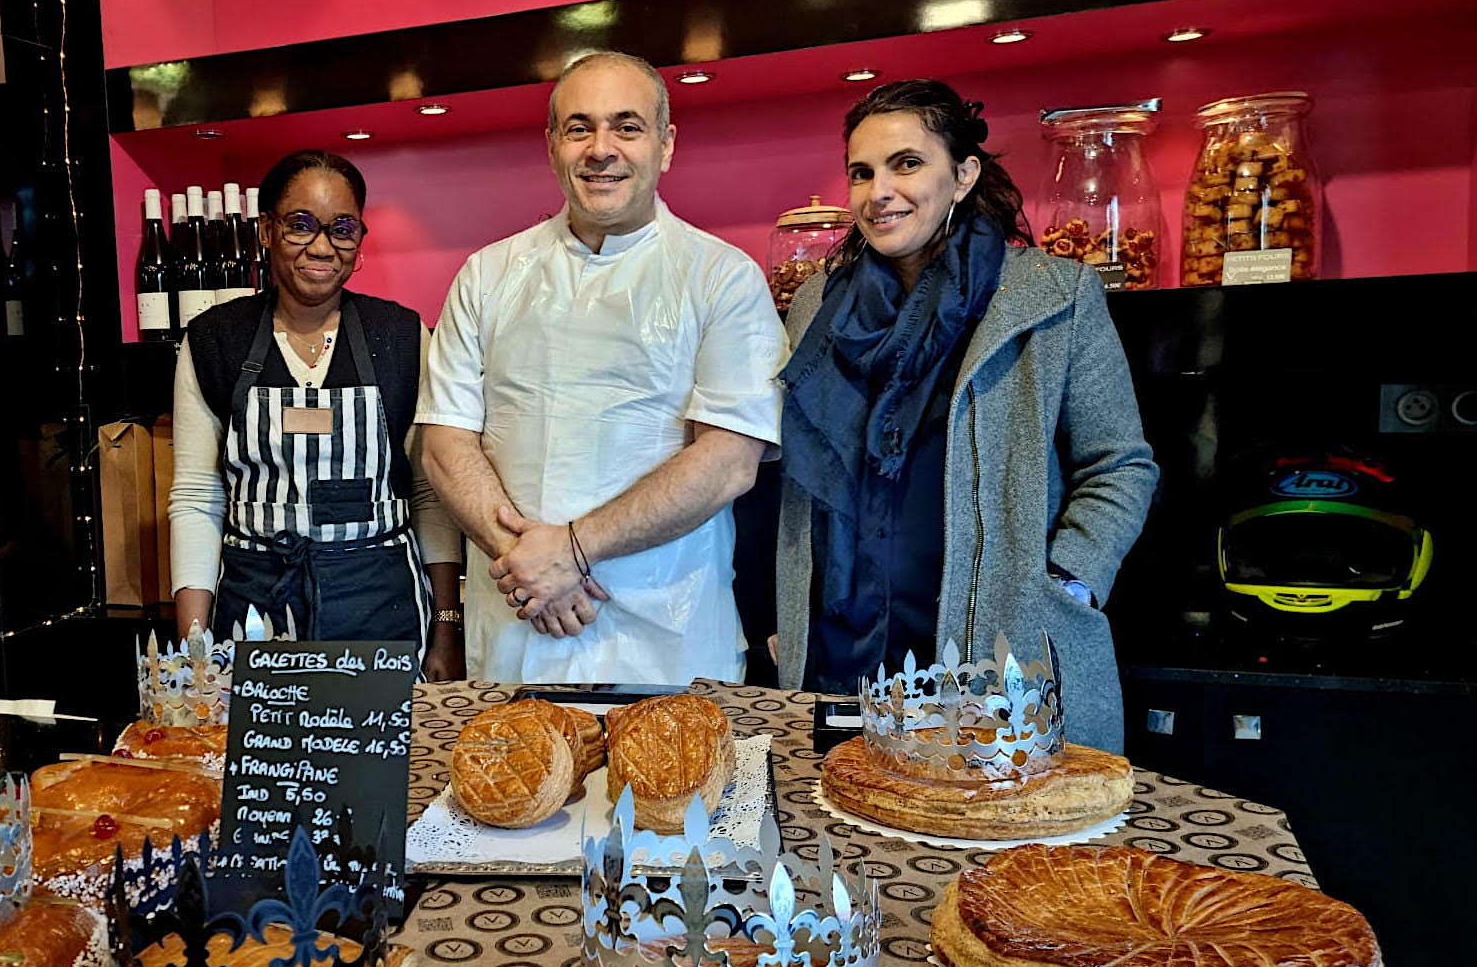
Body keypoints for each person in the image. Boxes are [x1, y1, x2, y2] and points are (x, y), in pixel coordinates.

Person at [775, 79, 1157, 751]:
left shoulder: (1050, 295)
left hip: (996, 648)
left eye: (906, 163)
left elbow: (1118, 464)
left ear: (963, 175)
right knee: (841, 840)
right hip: (843, 649)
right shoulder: (816, 306)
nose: (877, 192)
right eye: (860, 173)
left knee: (997, 847)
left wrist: (1068, 584)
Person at [418, 51, 784, 684]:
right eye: (579, 127)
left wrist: (574, 550)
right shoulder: (487, 274)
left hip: (668, 635)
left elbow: (728, 459)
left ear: (666, 145)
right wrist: (528, 564)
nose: (601, 148)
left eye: (628, 126)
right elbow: (445, 442)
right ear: (553, 144)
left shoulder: (722, 277)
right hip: (515, 618)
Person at [169, 150, 465, 679]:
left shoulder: (400, 337)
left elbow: (428, 494)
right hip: (257, 608)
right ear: (265, 230)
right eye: (300, 225)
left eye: (342, 228)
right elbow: (197, 497)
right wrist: (195, 649)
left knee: (378, 761)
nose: (322, 246)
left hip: (380, 608)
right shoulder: (215, 340)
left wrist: (446, 628)